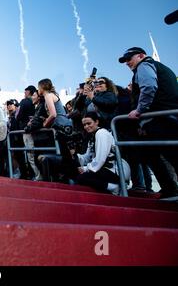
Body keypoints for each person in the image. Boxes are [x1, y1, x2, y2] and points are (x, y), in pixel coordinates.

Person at [119, 47, 178, 199]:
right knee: (156, 155)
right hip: (164, 119)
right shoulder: (158, 68)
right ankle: (169, 189)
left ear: (141, 56)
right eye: (125, 60)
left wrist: (139, 110)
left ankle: (170, 189)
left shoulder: (144, 65)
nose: (127, 63)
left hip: (161, 120)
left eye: (129, 58)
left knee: (165, 156)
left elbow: (149, 87)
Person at [75, 112, 127, 195]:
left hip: (114, 171)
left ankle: (113, 187)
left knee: (81, 178)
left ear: (96, 122)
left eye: (89, 123)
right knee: (75, 172)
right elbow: (87, 157)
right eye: (84, 125)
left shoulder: (101, 133)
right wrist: (75, 156)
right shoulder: (93, 136)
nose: (86, 127)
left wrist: (85, 169)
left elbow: (100, 159)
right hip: (103, 169)